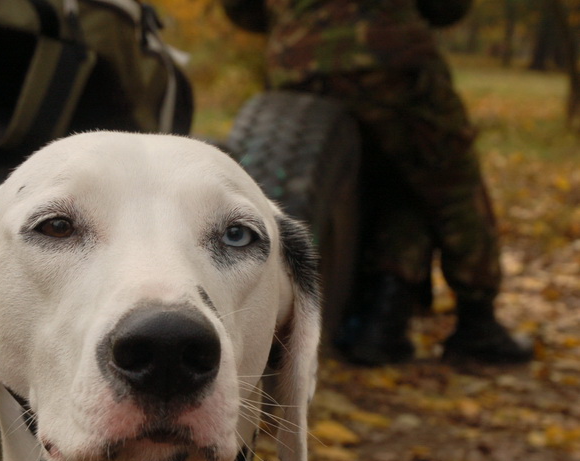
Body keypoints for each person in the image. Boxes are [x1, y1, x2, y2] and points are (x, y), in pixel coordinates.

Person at [221, 0, 533, 365]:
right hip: (392, 58)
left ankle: (375, 323)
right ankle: (475, 321)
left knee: (349, 186)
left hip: (298, 62)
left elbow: (242, 10)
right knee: (449, 186)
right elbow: (450, 8)